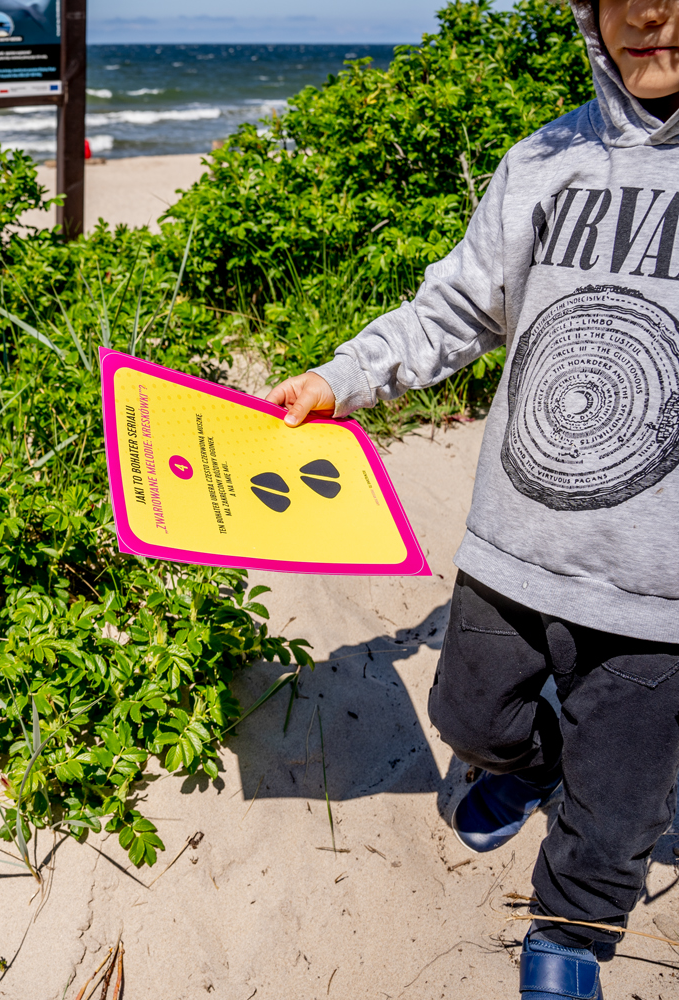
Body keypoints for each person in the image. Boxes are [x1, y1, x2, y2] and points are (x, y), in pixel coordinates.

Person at [265, 3, 679, 997]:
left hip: (660, 592)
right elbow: (455, 306)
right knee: (472, 715)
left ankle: (573, 930)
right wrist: (342, 378)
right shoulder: (544, 160)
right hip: (513, 545)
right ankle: (530, 766)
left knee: (618, 804)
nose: (647, 11)